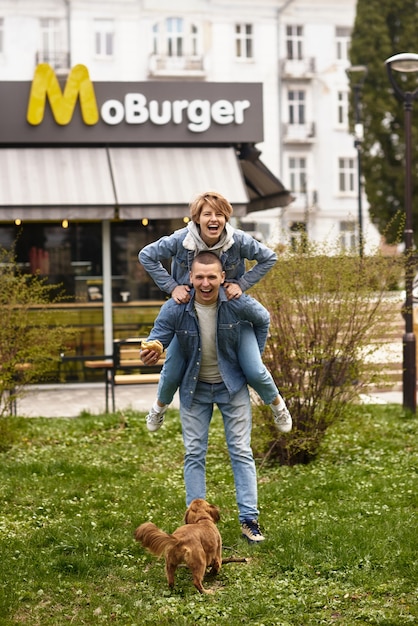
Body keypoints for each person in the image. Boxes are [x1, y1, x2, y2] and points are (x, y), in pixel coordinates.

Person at [140, 251, 271, 542]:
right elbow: (158, 336)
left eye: (212, 276)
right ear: (190, 277)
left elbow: (264, 320)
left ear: (223, 278)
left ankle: (249, 521)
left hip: (231, 386)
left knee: (240, 451)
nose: (206, 282)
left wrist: (253, 358)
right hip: (194, 389)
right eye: (199, 276)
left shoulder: (236, 304)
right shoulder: (176, 307)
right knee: (194, 453)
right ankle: (197, 525)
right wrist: (152, 349)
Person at [138, 190, 292, 434]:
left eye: (219, 214)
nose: (214, 219)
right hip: (187, 313)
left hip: (231, 311)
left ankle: (278, 405)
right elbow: (146, 255)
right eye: (207, 213)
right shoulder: (181, 240)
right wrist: (172, 286)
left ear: (226, 218)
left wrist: (241, 284)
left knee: (254, 369)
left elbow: (268, 258)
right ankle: (158, 409)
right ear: (196, 218)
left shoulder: (238, 240)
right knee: (172, 371)